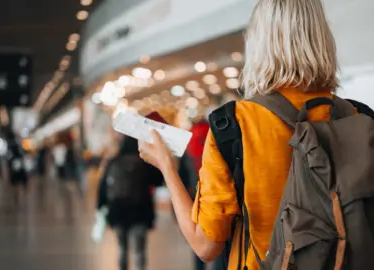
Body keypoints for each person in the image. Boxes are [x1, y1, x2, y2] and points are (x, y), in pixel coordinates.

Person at [137, 0, 356, 269]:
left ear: (259, 43)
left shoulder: (234, 124)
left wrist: (166, 167)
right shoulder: (359, 119)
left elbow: (205, 246)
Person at [97, 135, 163, 270]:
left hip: (118, 212)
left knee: (122, 249)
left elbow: (103, 186)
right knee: (139, 250)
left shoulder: (113, 161)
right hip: (140, 212)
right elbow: (158, 180)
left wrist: (100, 206)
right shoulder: (144, 163)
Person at [6, 132, 29, 207]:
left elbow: (8, 158)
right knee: (23, 182)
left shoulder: (9, 146)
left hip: (13, 167)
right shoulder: (18, 144)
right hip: (20, 166)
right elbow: (23, 154)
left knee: (15, 184)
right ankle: (25, 197)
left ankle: (16, 199)